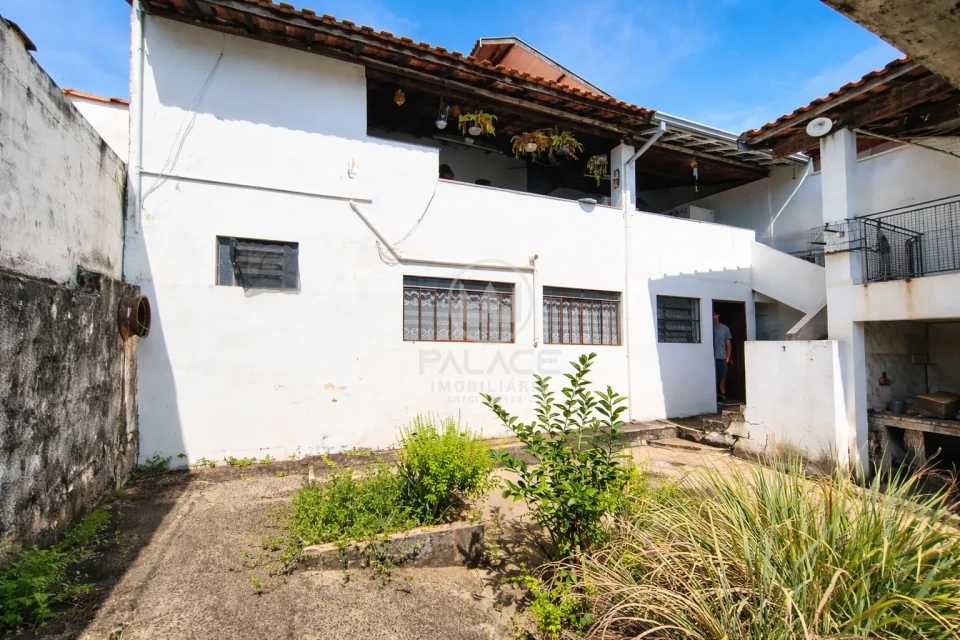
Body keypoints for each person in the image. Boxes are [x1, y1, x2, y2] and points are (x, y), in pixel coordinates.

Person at [713, 312, 733, 401]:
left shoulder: (725, 328)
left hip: (722, 356)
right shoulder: (709, 327)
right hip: (712, 356)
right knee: (715, 376)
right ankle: (715, 394)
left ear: (718, 316)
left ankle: (722, 393)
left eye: (716, 315)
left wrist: (728, 356)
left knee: (723, 376)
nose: (714, 317)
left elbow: (728, 344)